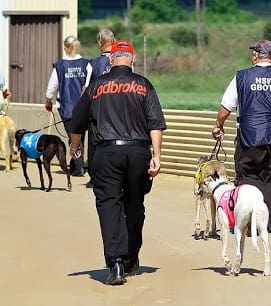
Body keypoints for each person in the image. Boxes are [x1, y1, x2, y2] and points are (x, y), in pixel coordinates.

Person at [68, 39, 166, 285]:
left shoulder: (96, 85)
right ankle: (131, 257)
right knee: (134, 203)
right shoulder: (144, 85)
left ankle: (116, 264)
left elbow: (77, 121)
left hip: (106, 152)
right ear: (132, 60)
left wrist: (75, 145)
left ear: (111, 60)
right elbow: (155, 123)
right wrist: (157, 156)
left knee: (109, 205)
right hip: (138, 153)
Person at [212, 39, 271, 233]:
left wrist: (219, 126)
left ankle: (246, 221)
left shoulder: (241, 77)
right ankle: (266, 222)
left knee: (246, 176)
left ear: (257, 55)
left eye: (253, 53)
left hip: (248, 137)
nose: (252, 56)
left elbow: (226, 107)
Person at [45, 35, 92, 176]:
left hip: (67, 108)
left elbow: (52, 87)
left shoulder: (59, 66)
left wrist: (48, 101)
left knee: (73, 137)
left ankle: (78, 167)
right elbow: (89, 84)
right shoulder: (86, 64)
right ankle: (75, 163)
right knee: (79, 135)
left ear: (66, 48)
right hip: (84, 107)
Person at [84, 28, 116, 188]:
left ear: (99, 43)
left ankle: (94, 178)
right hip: (118, 109)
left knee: (94, 143)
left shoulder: (92, 64)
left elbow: (86, 89)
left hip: (97, 110)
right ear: (114, 42)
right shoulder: (123, 61)